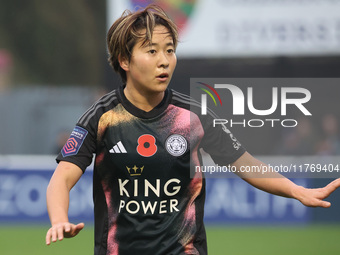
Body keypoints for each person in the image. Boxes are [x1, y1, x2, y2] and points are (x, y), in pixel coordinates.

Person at [45, 4, 340, 255]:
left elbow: (246, 164)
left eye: (170, 50)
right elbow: (62, 178)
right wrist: (59, 219)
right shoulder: (101, 118)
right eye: (151, 51)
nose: (164, 61)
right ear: (124, 60)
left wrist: (295, 190)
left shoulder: (194, 116)